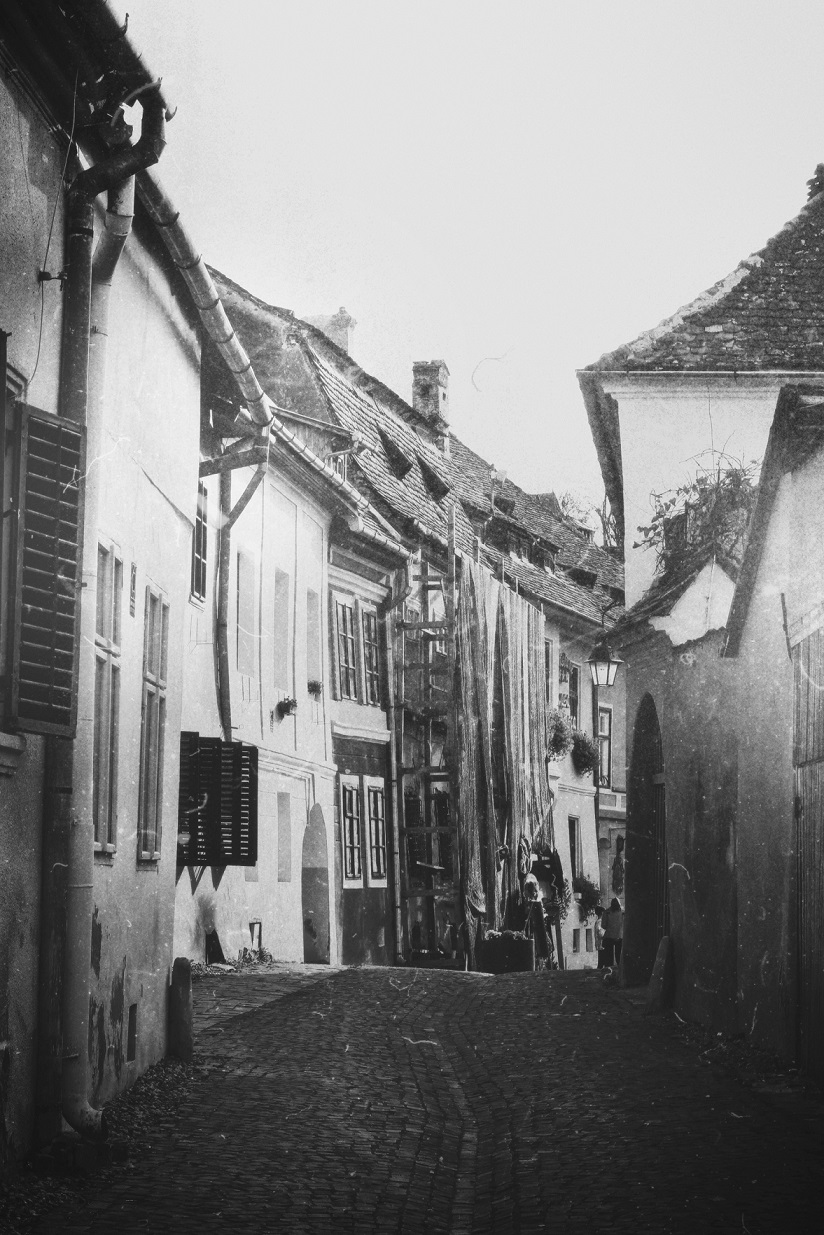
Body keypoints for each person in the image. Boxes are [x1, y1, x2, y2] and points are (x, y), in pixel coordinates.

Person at [601, 897, 623, 967]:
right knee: (619, 955)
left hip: (609, 936)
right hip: (620, 936)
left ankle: (609, 967)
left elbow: (603, 925)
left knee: (608, 955)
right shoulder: (623, 912)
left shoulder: (606, 912)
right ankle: (619, 968)